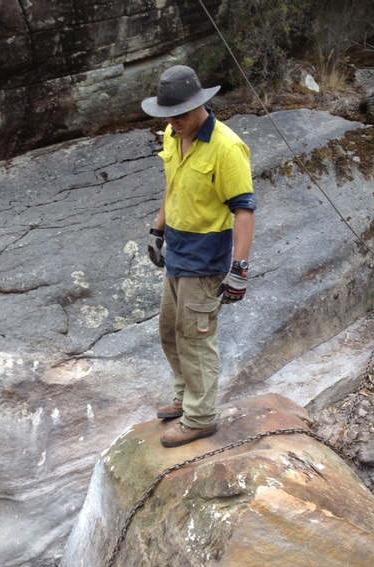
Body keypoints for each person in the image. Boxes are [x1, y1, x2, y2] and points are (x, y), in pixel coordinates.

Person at [141, 65, 256, 448]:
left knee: (195, 339)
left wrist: (239, 270)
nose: (174, 123)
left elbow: (243, 209)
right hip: (177, 251)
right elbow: (172, 187)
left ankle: (201, 417)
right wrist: (157, 230)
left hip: (206, 258)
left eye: (180, 115)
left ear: (200, 105)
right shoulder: (175, 137)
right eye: (168, 116)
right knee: (170, 331)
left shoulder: (226, 147)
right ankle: (185, 396)